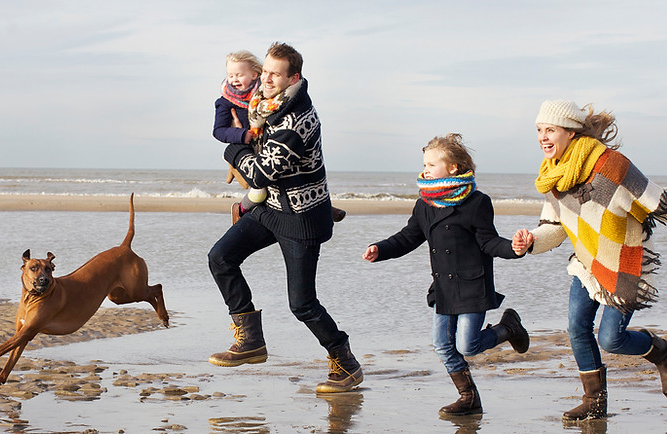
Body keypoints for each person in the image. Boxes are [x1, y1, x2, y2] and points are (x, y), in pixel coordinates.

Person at [207, 42, 362, 394]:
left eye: (276, 74)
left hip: (301, 219)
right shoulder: (263, 105)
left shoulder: (296, 120)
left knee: (302, 304)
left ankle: (345, 361)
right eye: (265, 72)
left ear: (294, 77)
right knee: (220, 257)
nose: (267, 79)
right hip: (270, 210)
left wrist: (232, 149)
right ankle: (251, 340)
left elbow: (260, 174)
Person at [512, 100, 667, 422]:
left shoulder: (610, 164)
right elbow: (555, 227)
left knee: (611, 339)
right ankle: (594, 402)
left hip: (624, 260)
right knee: (577, 328)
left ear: (570, 131)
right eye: (539, 130)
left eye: (550, 130)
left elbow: (656, 201)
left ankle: (662, 351)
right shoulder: (553, 175)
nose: (542, 137)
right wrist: (530, 242)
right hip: (586, 263)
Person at [362, 133, 529, 416]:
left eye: (431, 164)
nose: (425, 169)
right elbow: (407, 237)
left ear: (453, 167)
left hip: (472, 286)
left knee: (468, 344)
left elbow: (488, 242)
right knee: (441, 344)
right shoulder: (424, 205)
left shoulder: (477, 202)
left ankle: (508, 328)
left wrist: (515, 248)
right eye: (424, 164)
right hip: (443, 288)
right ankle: (468, 397)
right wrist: (381, 249)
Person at [212, 50, 269, 222]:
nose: (234, 79)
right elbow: (218, 130)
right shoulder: (225, 101)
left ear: (254, 74)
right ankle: (241, 209)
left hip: (267, 145)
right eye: (230, 75)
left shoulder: (266, 95)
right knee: (259, 192)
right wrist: (240, 134)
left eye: (239, 75)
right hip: (245, 146)